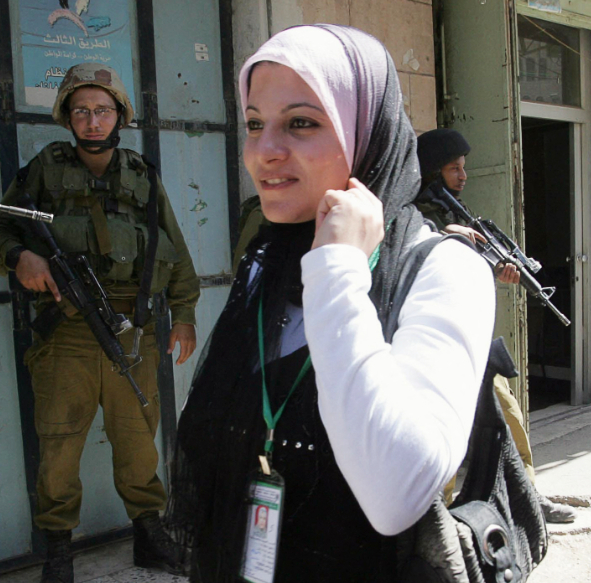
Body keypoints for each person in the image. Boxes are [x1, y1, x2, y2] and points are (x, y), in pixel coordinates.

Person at [166, 25, 497, 582]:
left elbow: (397, 493)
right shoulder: (269, 263)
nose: (264, 151)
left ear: (366, 132)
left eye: (301, 122)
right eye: (253, 124)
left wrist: (339, 270)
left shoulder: (442, 268)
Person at [0, 63, 199, 581]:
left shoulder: (141, 174)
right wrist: (19, 258)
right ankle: (59, 549)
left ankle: (148, 533)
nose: (93, 121)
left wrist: (184, 315)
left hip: (135, 329)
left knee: (138, 438)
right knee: (59, 443)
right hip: (68, 333)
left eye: (102, 110)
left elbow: (176, 250)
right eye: (82, 111)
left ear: (119, 114)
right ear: (67, 118)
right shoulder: (42, 171)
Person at [415, 128, 577, 523]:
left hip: (471, 337)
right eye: (454, 168)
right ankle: (434, 518)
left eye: (464, 168)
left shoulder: (456, 212)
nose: (463, 176)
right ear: (434, 172)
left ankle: (528, 499)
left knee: (508, 417)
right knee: (443, 435)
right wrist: (441, 235)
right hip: (432, 342)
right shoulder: (412, 215)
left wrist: (497, 270)